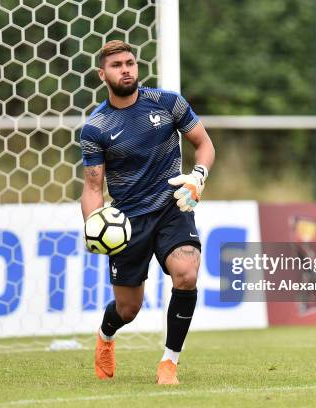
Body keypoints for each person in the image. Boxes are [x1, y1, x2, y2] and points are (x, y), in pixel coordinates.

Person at [80, 40, 215, 385]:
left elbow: (204, 145)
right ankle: (106, 335)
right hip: (127, 221)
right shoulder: (96, 127)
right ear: (102, 74)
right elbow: (94, 187)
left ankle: (169, 362)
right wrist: (92, 225)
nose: (125, 69)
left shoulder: (168, 103)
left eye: (130, 62)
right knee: (129, 309)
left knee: (186, 272)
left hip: (173, 207)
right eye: (116, 65)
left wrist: (198, 177)